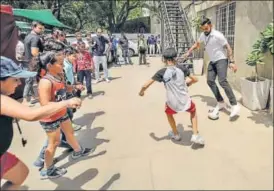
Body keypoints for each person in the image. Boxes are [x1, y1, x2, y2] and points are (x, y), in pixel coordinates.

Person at [0, 56, 82, 190]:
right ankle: (46, 167)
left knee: (22, 174)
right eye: (15, 79)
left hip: (2, 155)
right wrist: (66, 103)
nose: (19, 83)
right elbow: (31, 115)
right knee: (52, 143)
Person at [37, 51, 94, 179]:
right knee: (54, 143)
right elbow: (45, 106)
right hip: (50, 118)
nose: (63, 66)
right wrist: (67, 103)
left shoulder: (59, 75)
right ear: (49, 66)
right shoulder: (45, 82)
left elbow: (65, 88)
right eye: (60, 63)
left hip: (62, 112)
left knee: (70, 133)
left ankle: (78, 151)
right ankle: (48, 169)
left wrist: (75, 87)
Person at [139, 48, 204, 144]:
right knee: (193, 111)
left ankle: (176, 134)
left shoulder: (161, 72)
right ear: (175, 58)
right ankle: (195, 135)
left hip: (172, 103)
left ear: (164, 59)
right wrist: (188, 83)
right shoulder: (182, 68)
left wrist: (141, 92)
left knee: (169, 113)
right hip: (184, 100)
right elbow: (195, 79)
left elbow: (145, 85)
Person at [184, 17, 240, 118]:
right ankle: (220, 102)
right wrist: (189, 51)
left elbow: (228, 47)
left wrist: (231, 61)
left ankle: (234, 105)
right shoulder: (203, 35)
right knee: (210, 81)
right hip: (213, 61)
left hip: (221, 59)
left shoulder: (218, 35)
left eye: (206, 28)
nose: (204, 30)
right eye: (202, 29)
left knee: (222, 81)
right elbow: (197, 44)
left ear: (210, 26)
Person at [23, 21, 44, 106]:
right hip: (33, 62)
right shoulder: (35, 38)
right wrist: (43, 54)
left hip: (27, 61)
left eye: (42, 28)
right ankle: (25, 100)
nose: (41, 30)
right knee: (30, 81)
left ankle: (33, 97)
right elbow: (34, 52)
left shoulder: (27, 36)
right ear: (33, 27)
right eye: (39, 28)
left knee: (29, 80)